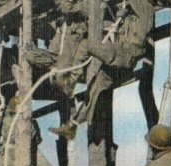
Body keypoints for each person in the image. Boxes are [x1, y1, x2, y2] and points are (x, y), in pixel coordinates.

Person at [50, 0, 154, 138]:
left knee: (87, 45)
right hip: (122, 56)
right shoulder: (138, 12)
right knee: (96, 86)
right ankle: (72, 125)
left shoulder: (145, 6)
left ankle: (70, 81)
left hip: (125, 54)